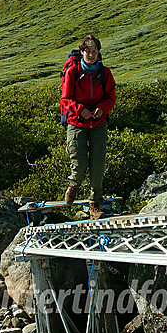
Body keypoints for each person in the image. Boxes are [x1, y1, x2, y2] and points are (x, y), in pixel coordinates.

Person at [61, 33, 116, 219]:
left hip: (98, 123)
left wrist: (102, 109)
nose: (91, 55)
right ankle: (73, 186)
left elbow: (110, 97)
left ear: (98, 52)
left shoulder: (105, 73)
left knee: (98, 165)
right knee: (80, 164)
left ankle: (95, 204)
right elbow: (66, 99)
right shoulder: (73, 72)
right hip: (76, 123)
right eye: (88, 51)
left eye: (94, 51)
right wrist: (80, 109)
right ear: (82, 51)